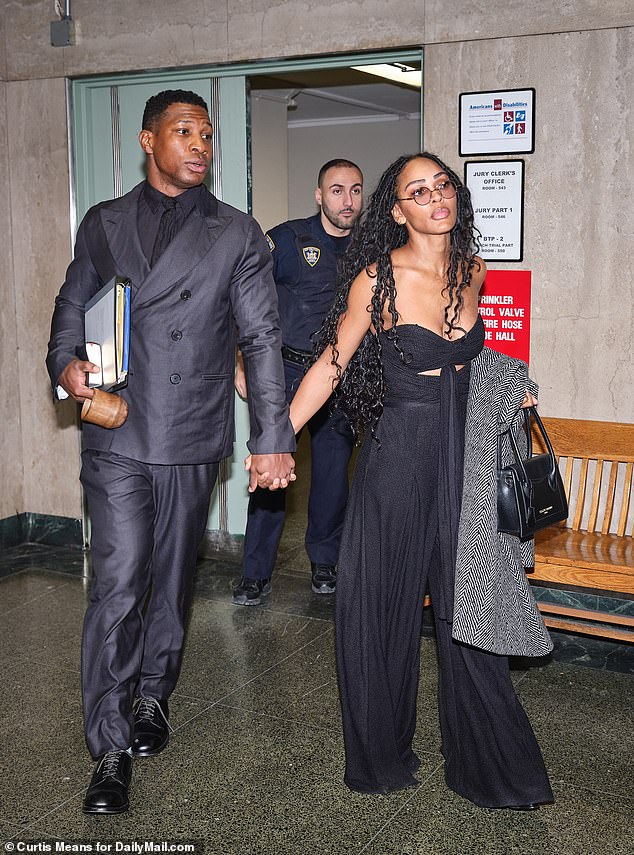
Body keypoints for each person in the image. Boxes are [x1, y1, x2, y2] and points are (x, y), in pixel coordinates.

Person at [46, 90, 296, 815]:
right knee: (119, 583)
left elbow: (261, 340)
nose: (199, 145)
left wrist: (271, 439)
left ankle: (154, 691)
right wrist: (65, 366)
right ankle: (111, 745)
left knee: (171, 575)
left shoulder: (237, 234)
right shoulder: (103, 222)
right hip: (118, 428)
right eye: (184, 131)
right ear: (147, 139)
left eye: (207, 134)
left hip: (191, 432)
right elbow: (71, 305)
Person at [283, 152, 555, 808]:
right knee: (382, 606)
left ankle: (487, 763)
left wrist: (505, 386)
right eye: (417, 190)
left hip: (463, 462)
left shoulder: (473, 269)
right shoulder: (379, 279)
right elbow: (331, 363)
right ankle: (380, 754)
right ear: (397, 209)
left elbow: (472, 354)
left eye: (442, 186)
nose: (435, 197)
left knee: (471, 608)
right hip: (397, 463)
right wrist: (274, 438)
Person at [232, 160, 363, 606]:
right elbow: (244, 299)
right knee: (271, 470)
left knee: (331, 476)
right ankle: (255, 573)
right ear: (319, 195)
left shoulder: (370, 248)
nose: (347, 200)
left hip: (340, 379)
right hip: (285, 372)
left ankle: (324, 560)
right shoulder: (289, 240)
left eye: (355, 190)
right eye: (337, 190)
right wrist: (241, 361)